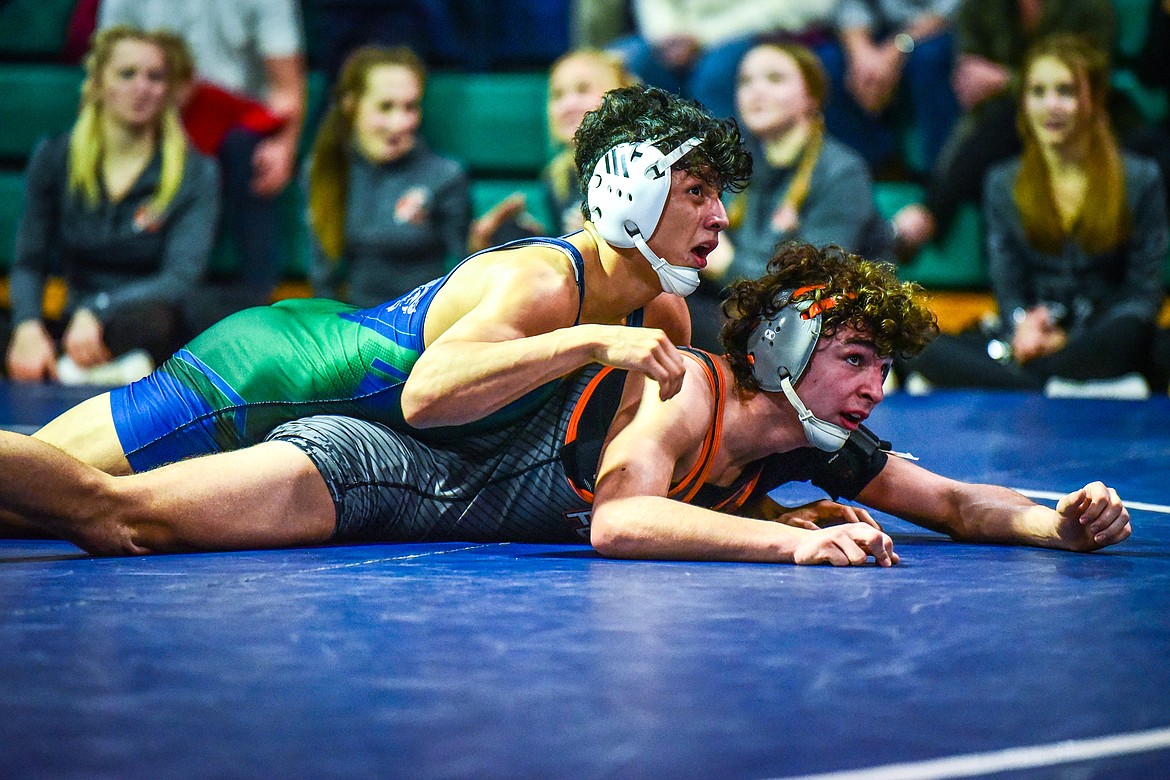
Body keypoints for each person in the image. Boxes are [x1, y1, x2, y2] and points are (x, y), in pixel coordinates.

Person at [0, 242, 1132, 563]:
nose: (874, 385)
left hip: (427, 513)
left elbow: (954, 502)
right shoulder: (688, 389)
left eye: (882, 366)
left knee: (79, 515)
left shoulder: (814, 439)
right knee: (116, 516)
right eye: (852, 357)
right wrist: (777, 544)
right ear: (784, 343)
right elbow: (622, 519)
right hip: (382, 469)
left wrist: (1054, 522)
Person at [19, 85, 750, 487]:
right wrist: (588, 340)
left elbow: (652, 445)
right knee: (38, 481)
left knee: (36, 505)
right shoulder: (544, 282)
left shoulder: (659, 307)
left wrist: (759, 508)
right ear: (631, 193)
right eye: (696, 192)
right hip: (265, 373)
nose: (719, 216)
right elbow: (426, 398)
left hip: (320, 378)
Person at [896, 34, 1168, 393]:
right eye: (1038, 92)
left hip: (1109, 335)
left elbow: (1144, 291)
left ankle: (1030, 379)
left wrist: (1072, 340)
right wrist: (1024, 324)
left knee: (1138, 334)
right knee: (917, 345)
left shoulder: (1140, 177)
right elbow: (1008, 282)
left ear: (1094, 99)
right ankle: (1054, 380)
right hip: (1031, 337)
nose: (1050, 105)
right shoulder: (1002, 181)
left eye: (1065, 92)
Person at [3, 26, 219, 385]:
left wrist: (98, 309)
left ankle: (75, 373)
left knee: (165, 320)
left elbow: (180, 277)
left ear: (168, 89)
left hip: (142, 320)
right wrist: (26, 327)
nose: (142, 87)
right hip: (71, 323)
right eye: (127, 74)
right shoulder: (55, 156)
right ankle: (87, 370)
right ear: (99, 82)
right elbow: (29, 262)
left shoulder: (197, 171)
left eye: (155, 77)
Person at [98, 0, 307, 310]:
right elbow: (107, 70)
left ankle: (258, 302)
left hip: (237, 126)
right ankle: (124, 295)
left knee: (245, 151)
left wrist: (283, 145)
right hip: (152, 117)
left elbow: (286, 88)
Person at [691, 41, 890, 351]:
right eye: (745, 81)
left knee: (670, 316)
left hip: (820, 329)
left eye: (774, 79)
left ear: (811, 97)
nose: (756, 91)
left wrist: (727, 264)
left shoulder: (842, 171)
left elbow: (813, 286)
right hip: (750, 315)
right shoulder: (737, 165)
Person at [889, 0, 1118, 259]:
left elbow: (1089, 81)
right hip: (995, 131)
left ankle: (928, 214)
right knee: (998, 148)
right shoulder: (980, 7)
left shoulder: (1091, 8)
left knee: (1010, 123)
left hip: (1073, 128)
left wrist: (1007, 81)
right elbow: (970, 77)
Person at [305, 45, 470, 307]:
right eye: (385, 107)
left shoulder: (445, 176)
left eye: (410, 107)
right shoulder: (326, 168)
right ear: (351, 104)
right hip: (355, 325)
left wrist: (483, 242)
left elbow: (465, 272)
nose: (401, 123)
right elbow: (322, 276)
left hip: (427, 325)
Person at [467, 48, 635, 254]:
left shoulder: (637, 166)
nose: (568, 105)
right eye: (558, 95)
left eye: (582, 90)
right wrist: (490, 239)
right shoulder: (558, 175)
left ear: (620, 97)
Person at [608, 0, 836, 120]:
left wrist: (703, 36)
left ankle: (727, 182)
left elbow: (806, 5)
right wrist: (668, 34)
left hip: (758, 28)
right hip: (683, 32)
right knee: (620, 60)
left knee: (715, 73)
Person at [815, 0, 961, 175]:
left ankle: (941, 176)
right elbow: (850, 7)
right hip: (877, 32)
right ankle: (868, 169)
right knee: (827, 63)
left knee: (927, 60)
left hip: (938, 30)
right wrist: (861, 54)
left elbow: (951, 9)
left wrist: (896, 48)